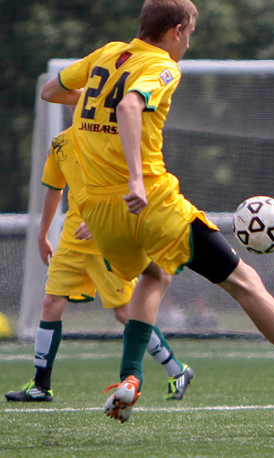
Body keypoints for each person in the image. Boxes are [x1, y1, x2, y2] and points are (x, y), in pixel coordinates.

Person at [39, 0, 274, 423]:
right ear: (176, 31)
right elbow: (128, 105)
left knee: (154, 276)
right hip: (150, 203)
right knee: (244, 281)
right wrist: (136, 178)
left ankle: (131, 378)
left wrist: (92, 106)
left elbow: (51, 91)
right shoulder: (162, 66)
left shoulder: (106, 54)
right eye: (189, 34)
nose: (188, 45)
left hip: (100, 215)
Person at [5, 128, 194, 403]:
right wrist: (42, 233)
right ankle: (41, 384)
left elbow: (135, 183)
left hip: (106, 238)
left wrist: (104, 218)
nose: (76, 99)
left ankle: (176, 369)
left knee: (126, 312)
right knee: (51, 303)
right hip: (72, 240)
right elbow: (54, 189)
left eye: (82, 92)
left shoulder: (115, 137)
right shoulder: (60, 143)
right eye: (71, 94)